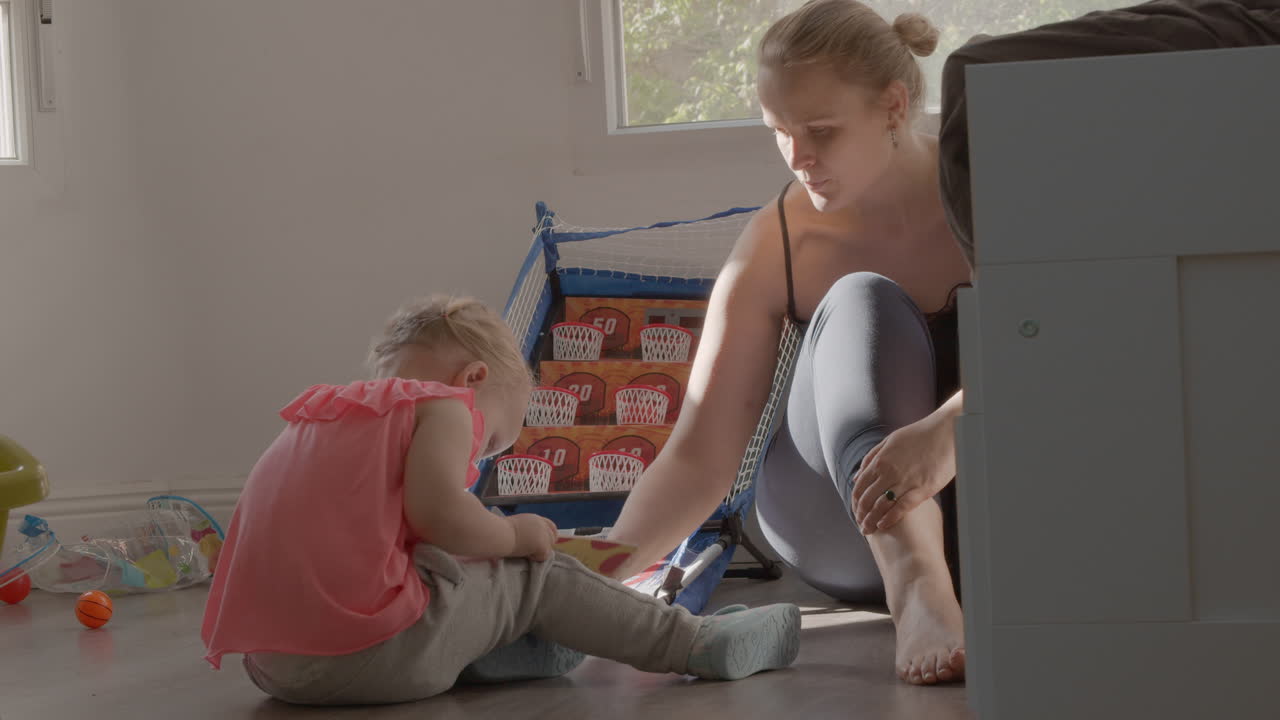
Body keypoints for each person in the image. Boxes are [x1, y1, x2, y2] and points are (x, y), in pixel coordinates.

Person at [609, 0, 1280, 687]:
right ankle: (917, 588)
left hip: (992, 517)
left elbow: (1087, 346)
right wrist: (591, 571)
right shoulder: (780, 239)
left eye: (821, 131)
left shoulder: (1002, 193)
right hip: (840, 526)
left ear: (894, 106)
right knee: (863, 299)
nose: (797, 157)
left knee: (1038, 330)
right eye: (779, 131)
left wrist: (950, 425)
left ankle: (947, 575)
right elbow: (699, 457)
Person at [200, 296, 801, 705]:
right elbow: (441, 515)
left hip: (275, 670)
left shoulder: (322, 414)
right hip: (369, 658)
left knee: (459, 572)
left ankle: (497, 649)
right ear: (475, 381)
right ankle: (695, 643)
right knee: (536, 574)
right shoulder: (441, 404)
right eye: (489, 441)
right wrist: (519, 536)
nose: (477, 459)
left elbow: (408, 534)